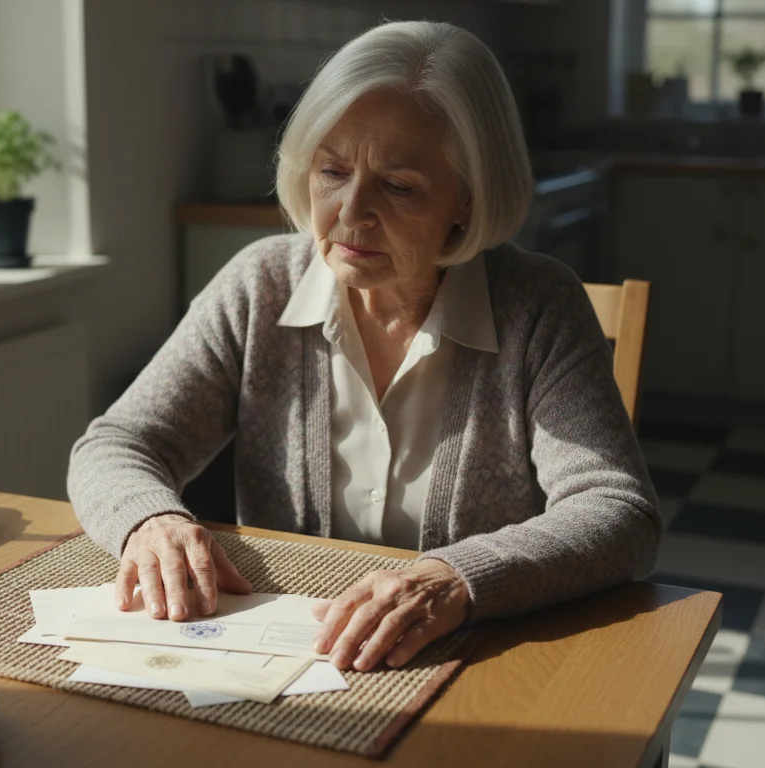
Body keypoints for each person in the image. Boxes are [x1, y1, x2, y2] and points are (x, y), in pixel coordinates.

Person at [68, 20, 660, 673]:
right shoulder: (259, 285)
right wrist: (148, 521)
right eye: (332, 170)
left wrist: (455, 579)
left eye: (398, 185)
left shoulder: (538, 307)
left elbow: (618, 512)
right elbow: (117, 444)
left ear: (465, 200)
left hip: (473, 668)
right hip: (284, 665)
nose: (350, 212)